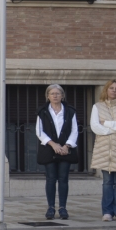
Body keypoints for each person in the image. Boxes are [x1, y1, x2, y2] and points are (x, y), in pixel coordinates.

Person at [37, 84, 78, 221]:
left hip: (65, 151)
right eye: (52, 93)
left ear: (62, 96)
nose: (55, 96)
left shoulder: (70, 111)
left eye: (57, 93)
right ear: (48, 96)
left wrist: (67, 146)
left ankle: (62, 208)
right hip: (49, 149)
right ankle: (50, 207)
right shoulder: (42, 111)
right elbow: (39, 131)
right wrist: (53, 144)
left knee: (63, 178)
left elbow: (74, 131)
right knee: (50, 178)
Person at [91, 79, 116, 222]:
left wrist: (108, 124)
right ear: (106, 90)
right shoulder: (97, 106)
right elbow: (95, 127)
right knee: (106, 183)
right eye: (111, 88)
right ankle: (107, 212)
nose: (114, 91)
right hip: (104, 151)